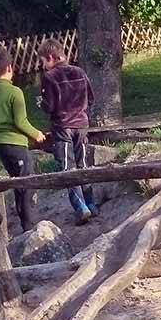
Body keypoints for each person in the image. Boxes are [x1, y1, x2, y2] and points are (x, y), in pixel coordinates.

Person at [0, 47, 45, 232]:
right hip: (15, 143)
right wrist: (36, 134)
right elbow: (20, 121)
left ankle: (23, 221)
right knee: (26, 182)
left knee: (17, 182)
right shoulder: (14, 92)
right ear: (10, 67)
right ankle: (29, 225)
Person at [37, 38, 99, 225]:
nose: (42, 65)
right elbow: (91, 98)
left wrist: (41, 102)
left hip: (63, 127)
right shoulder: (80, 71)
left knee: (67, 167)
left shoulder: (50, 77)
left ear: (50, 57)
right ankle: (92, 203)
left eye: (42, 61)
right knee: (83, 164)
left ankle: (81, 207)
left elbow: (51, 107)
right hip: (81, 125)